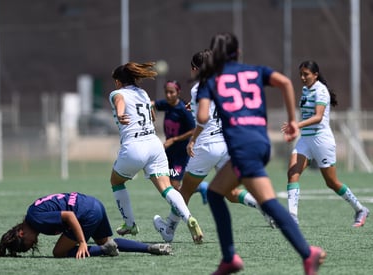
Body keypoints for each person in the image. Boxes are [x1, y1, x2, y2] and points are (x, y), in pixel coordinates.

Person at [196, 32, 326, 275]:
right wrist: (292, 121)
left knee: (268, 203)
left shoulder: (211, 80)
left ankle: (308, 254)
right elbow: (286, 83)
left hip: (243, 147)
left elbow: (202, 117)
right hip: (259, 142)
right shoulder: (256, 71)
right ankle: (229, 258)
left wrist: (206, 90)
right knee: (214, 193)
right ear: (238, 52)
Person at [153, 50, 275, 243]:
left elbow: (204, 118)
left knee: (184, 191)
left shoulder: (197, 88)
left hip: (207, 146)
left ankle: (169, 229)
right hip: (226, 144)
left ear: (194, 69)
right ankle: (262, 205)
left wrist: (192, 140)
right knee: (231, 192)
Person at [109, 62, 203, 244]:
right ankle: (188, 217)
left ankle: (130, 224)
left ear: (119, 81)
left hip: (134, 146)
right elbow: (151, 115)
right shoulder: (142, 93)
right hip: (154, 144)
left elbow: (120, 102)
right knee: (167, 188)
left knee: (116, 181)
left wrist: (121, 114)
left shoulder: (117, 93)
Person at [284, 60, 370, 227]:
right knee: (292, 173)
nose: (302, 77)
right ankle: (292, 217)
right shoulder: (304, 89)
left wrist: (296, 125)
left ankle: (360, 209)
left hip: (321, 140)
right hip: (305, 140)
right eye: (301, 74)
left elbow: (318, 117)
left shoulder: (321, 91)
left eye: (306, 74)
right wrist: (296, 129)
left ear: (315, 75)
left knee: (331, 182)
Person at [0, 192, 172, 258]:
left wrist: (81, 242)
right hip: (94, 204)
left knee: (59, 253)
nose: (33, 244)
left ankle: (104, 250)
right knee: (107, 241)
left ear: (21, 233)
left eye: (27, 244)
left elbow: (70, 216)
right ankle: (150, 248)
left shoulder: (35, 219)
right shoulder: (34, 215)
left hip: (85, 213)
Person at [152, 80, 195, 190]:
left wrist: (174, 139)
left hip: (181, 152)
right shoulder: (166, 104)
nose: (168, 95)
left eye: (171, 92)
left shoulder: (184, 110)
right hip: (169, 150)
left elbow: (193, 130)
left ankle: (177, 206)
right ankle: (200, 188)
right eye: (166, 92)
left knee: (174, 183)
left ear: (178, 92)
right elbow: (151, 104)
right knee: (166, 181)